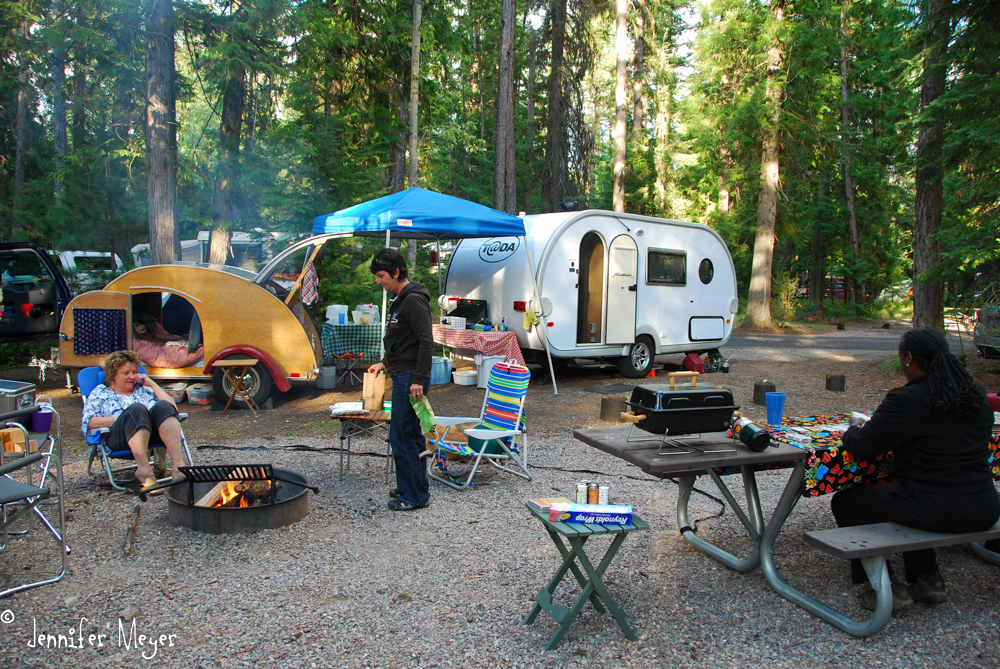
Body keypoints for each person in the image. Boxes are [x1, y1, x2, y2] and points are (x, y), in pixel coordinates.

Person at [832, 327, 1000, 612]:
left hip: (935, 509)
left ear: (909, 358)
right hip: (985, 506)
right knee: (904, 493)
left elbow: (862, 445)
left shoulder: (906, 400)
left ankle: (883, 587)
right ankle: (927, 578)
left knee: (848, 502)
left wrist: (852, 429)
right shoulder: (975, 396)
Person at [366, 248, 434, 511]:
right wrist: (384, 363)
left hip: (410, 378)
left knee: (402, 434)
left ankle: (414, 496)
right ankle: (413, 487)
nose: (378, 281)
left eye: (382, 275)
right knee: (409, 433)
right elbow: (401, 343)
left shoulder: (413, 300)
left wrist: (419, 378)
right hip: (403, 373)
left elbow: (425, 341)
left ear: (396, 272)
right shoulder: (400, 299)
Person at [82, 350, 186, 490]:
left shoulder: (143, 389)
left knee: (163, 406)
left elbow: (172, 409)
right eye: (126, 373)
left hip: (153, 435)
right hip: (119, 438)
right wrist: (122, 419)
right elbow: (89, 422)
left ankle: (178, 466)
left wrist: (152, 384)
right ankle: (144, 470)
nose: (131, 376)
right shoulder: (100, 392)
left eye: (134, 372)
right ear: (113, 375)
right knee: (136, 410)